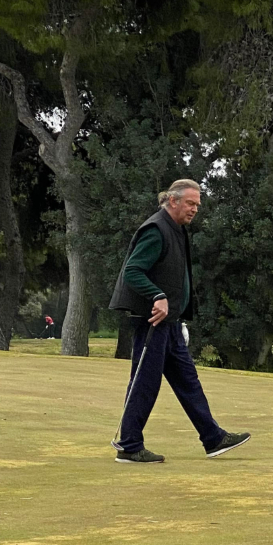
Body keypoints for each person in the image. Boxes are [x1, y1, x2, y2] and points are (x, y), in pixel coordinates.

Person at [107, 179, 251, 464]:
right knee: (145, 382)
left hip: (170, 323)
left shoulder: (176, 230)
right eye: (190, 203)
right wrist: (157, 295)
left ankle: (213, 438)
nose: (195, 209)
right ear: (172, 200)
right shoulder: (156, 229)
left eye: (197, 204)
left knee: (188, 381)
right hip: (153, 322)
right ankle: (129, 445)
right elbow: (133, 271)